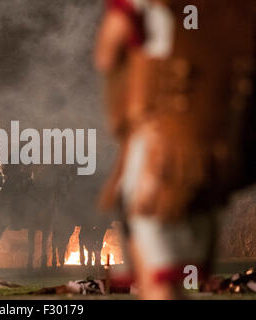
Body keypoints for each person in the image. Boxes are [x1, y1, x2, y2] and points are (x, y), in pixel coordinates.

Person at [96, 0, 255, 299]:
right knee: (179, 281)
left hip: (161, 157)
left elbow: (108, 49)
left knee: (160, 285)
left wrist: (131, 105)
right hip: (215, 160)